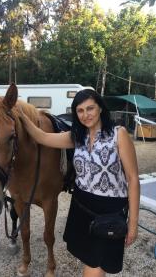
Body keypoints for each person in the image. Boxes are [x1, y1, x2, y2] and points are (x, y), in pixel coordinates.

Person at [18, 89, 140, 277]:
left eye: (90, 108)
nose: (86, 115)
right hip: (82, 206)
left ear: (100, 108)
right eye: (80, 110)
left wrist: (133, 223)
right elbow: (42, 137)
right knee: (90, 259)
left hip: (109, 210)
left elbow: (132, 179)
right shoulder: (77, 136)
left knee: (95, 265)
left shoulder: (119, 134)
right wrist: (20, 115)